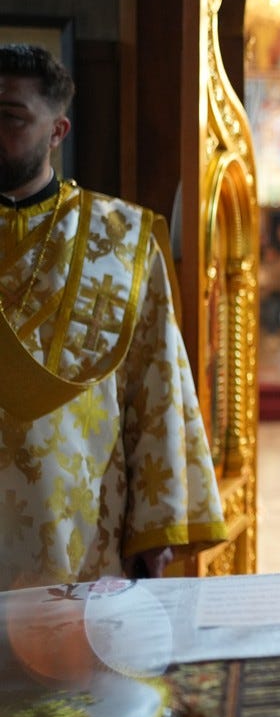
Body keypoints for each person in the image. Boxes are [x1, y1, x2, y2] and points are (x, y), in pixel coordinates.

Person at [0, 43, 225, 587]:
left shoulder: (121, 237)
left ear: (58, 131)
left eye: (11, 117)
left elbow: (157, 381)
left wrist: (157, 522)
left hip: (79, 525)